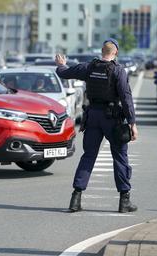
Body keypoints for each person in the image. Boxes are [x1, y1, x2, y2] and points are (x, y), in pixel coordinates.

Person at [55, 38, 138, 213]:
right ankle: (124, 201)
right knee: (120, 157)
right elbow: (126, 97)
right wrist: (132, 123)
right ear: (115, 52)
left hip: (92, 117)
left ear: (102, 51)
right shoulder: (118, 71)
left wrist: (61, 64)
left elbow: (65, 72)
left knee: (89, 156)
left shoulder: (89, 67)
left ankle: (75, 199)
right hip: (112, 119)